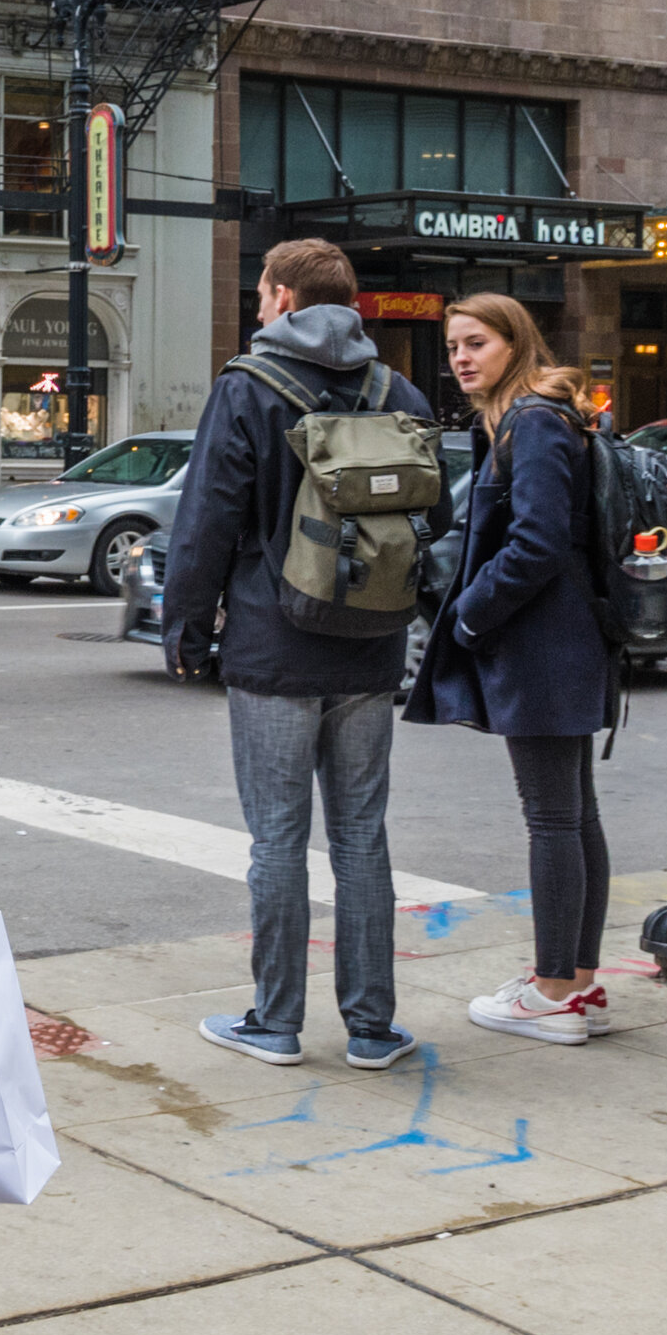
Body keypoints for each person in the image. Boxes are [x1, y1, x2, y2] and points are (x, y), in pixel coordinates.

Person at [161, 238, 452, 1071]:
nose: (257, 306)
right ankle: (371, 1027)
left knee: (277, 841)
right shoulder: (395, 387)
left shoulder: (248, 388)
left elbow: (209, 514)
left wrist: (186, 623)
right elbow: (424, 517)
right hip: (370, 647)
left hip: (272, 643)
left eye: (261, 292)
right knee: (363, 836)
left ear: (284, 298)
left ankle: (276, 1022)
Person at [404, 293, 616, 1045]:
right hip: (559, 641)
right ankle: (576, 981)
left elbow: (537, 542)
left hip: (543, 644)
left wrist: (468, 615)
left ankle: (556, 989)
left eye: (477, 343)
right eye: (454, 345)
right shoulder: (540, 418)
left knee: (553, 817)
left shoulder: (531, 421)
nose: (461, 357)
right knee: (573, 813)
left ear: (514, 343)